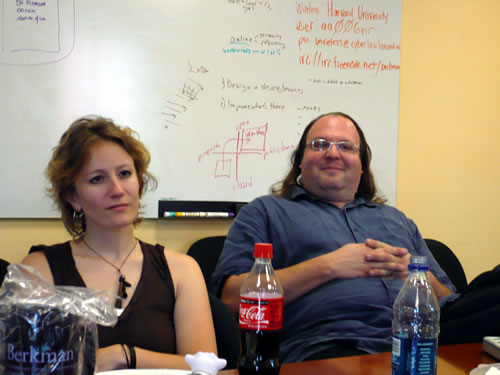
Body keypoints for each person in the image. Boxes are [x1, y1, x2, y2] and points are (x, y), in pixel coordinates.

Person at [212, 111, 499, 363]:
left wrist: (413, 273)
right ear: (300, 161)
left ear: (362, 166)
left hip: (421, 343)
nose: (332, 153)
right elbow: (230, 301)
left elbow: (449, 301)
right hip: (329, 349)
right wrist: (329, 266)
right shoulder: (265, 212)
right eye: (320, 144)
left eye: (346, 147)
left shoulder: (396, 219)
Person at [22, 115, 217, 371]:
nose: (117, 189)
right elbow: (28, 367)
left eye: (125, 174)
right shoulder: (39, 270)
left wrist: (123, 355)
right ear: (73, 197)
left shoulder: (182, 269)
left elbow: (205, 367)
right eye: (97, 179)